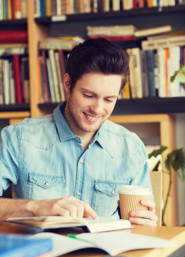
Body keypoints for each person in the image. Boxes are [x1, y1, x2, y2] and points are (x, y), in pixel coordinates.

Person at [0, 38, 157, 226]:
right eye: (89, 95)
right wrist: (34, 207)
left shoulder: (131, 148)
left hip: (108, 254)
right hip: (42, 253)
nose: (97, 109)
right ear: (67, 84)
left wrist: (146, 223)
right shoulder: (17, 139)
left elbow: (140, 225)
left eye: (109, 99)